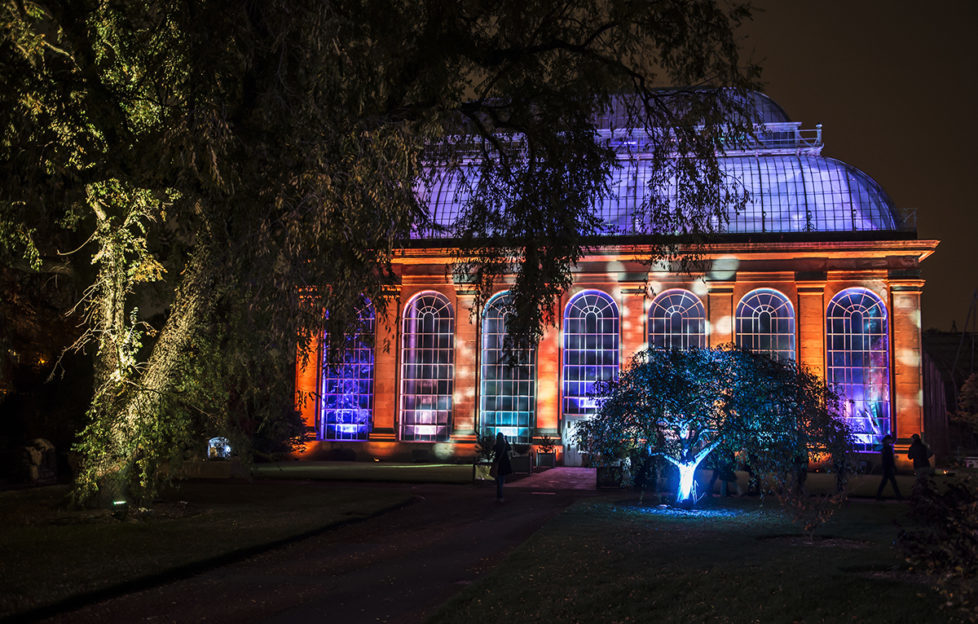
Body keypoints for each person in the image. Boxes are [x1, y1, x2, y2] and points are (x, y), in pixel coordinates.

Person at [875, 435, 902, 500]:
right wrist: (893, 466)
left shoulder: (885, 448)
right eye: (890, 439)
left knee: (887, 482)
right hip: (888, 467)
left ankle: (878, 496)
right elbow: (889, 459)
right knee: (892, 482)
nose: (891, 441)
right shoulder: (888, 448)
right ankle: (898, 497)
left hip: (886, 467)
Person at [492, 432, 513, 502]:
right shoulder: (504, 445)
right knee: (501, 481)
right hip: (503, 465)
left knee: (499, 481)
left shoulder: (497, 445)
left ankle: (499, 496)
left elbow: (493, 448)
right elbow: (509, 448)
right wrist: (506, 440)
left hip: (498, 464)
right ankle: (500, 496)